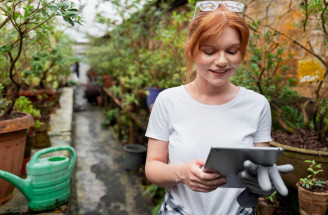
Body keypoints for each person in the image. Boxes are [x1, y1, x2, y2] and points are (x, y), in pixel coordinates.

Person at [145, 1, 293, 215]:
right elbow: (152, 167)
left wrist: (261, 183)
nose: (222, 61)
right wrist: (181, 173)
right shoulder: (168, 101)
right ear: (192, 49)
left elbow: (261, 168)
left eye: (232, 51)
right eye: (209, 51)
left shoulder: (257, 104)